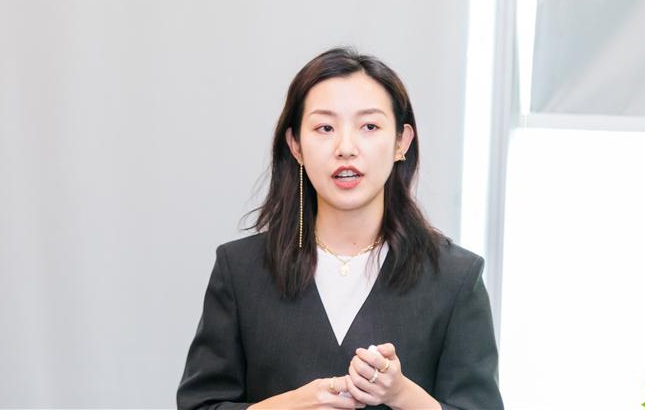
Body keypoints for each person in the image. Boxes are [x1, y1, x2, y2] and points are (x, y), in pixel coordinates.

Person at [176, 47, 504, 410]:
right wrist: (286, 406)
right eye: (325, 128)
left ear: (401, 142)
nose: (346, 148)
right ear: (296, 145)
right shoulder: (241, 270)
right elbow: (199, 404)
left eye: (369, 127)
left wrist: (404, 396)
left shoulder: (456, 278)